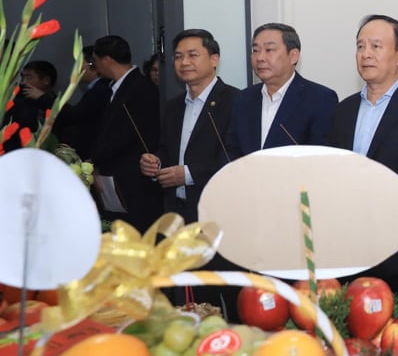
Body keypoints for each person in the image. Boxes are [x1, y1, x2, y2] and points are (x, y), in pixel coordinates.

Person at [327, 15, 398, 320]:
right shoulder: (344, 109)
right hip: (350, 249)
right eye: (360, 46)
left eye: (376, 46)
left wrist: (372, 182)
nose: (365, 54)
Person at [140, 29, 240, 317]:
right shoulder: (172, 107)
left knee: (230, 302)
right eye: (179, 56)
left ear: (214, 59)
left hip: (218, 220)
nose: (184, 62)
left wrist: (189, 174)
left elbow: (235, 156)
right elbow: (167, 152)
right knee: (191, 303)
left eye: (193, 55)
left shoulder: (236, 101)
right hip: (180, 218)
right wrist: (152, 163)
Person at [225, 23, 338, 159]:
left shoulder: (320, 99)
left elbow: (320, 158)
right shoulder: (244, 98)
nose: (260, 58)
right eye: (255, 50)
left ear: (293, 56)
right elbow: (231, 151)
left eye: (269, 50)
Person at [90, 35, 162, 232]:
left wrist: (90, 161)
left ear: (107, 60)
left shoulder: (139, 88)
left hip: (134, 180)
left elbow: (121, 136)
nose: (95, 67)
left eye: (95, 61)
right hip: (118, 177)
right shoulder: (118, 87)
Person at [56, 46, 110, 160]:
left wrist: (45, 98)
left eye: (80, 63)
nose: (77, 68)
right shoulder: (97, 88)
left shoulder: (100, 90)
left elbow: (75, 116)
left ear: (92, 65)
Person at [3, 60, 57, 150]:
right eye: (23, 77)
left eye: (29, 77)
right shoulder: (17, 100)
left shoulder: (57, 104)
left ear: (46, 80)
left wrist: (42, 98)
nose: (24, 82)